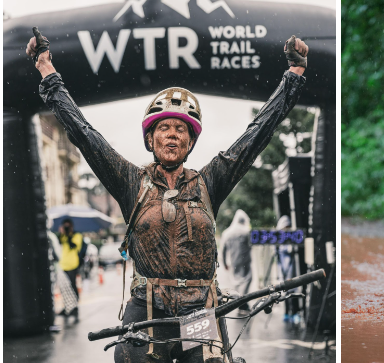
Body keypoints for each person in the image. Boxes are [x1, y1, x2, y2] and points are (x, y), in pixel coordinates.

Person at [27, 27, 308, 362]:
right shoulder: (130, 180)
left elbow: (257, 133)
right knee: (129, 359)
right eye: (164, 128)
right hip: (148, 308)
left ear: (190, 142)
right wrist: (46, 69)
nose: (173, 135)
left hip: (198, 312)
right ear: (151, 139)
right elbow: (84, 135)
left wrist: (294, 75)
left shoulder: (209, 181)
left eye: (181, 130)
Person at [220, 210, 252, 313]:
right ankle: (242, 303)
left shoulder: (227, 232)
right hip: (245, 262)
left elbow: (223, 250)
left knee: (236, 282)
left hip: (233, 262)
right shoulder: (247, 231)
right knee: (247, 280)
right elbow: (251, 245)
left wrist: (224, 263)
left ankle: (239, 302)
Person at [275, 215, 300, 323]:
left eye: (288, 227)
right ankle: (286, 313)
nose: (286, 229)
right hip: (282, 268)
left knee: (293, 291)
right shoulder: (277, 240)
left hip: (292, 268)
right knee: (284, 291)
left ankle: (294, 312)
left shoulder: (293, 238)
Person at [58, 218, 83, 319]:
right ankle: (67, 307)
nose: (67, 228)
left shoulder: (77, 235)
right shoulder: (63, 236)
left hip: (73, 265)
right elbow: (59, 243)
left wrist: (68, 234)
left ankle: (75, 307)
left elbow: (73, 246)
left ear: (71, 226)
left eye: (68, 226)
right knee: (64, 287)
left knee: (72, 286)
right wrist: (61, 233)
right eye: (65, 226)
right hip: (63, 265)